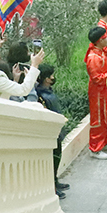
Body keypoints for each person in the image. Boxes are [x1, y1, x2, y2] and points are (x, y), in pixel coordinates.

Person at [34, 63, 69, 198]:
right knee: (52, 159)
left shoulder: (48, 91)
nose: (53, 78)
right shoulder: (41, 95)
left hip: (57, 129)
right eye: (51, 75)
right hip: (52, 132)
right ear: (46, 79)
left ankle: (55, 180)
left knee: (57, 157)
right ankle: (51, 186)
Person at [84, 27, 107, 158]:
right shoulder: (93, 58)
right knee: (98, 118)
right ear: (99, 40)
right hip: (97, 93)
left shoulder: (100, 51)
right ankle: (95, 148)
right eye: (105, 37)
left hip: (105, 90)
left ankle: (106, 141)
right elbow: (97, 78)